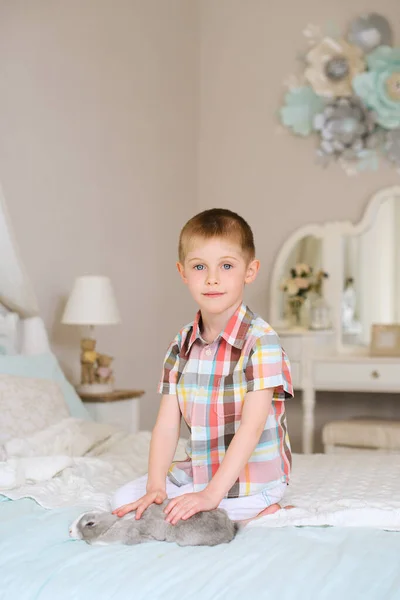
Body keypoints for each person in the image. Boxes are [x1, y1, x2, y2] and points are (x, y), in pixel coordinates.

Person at [112, 208, 293, 525]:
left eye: (226, 265)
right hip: (197, 474)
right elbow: (167, 427)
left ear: (250, 271)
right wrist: (156, 486)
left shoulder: (261, 342)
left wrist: (211, 495)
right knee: (124, 501)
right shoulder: (181, 344)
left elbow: (250, 429)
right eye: (199, 267)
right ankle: (223, 512)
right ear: (183, 273)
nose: (212, 278)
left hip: (251, 483)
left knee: (192, 517)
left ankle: (259, 513)